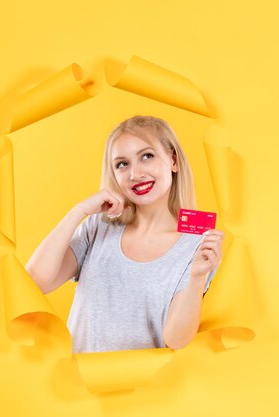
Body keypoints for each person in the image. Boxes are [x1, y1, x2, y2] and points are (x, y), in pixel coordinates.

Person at [25, 115, 224, 353]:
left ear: (173, 160)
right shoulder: (98, 227)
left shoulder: (197, 244)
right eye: (122, 164)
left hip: (148, 388)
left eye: (146, 156)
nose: (135, 174)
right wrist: (79, 212)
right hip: (80, 386)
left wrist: (197, 277)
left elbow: (176, 339)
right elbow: (35, 282)